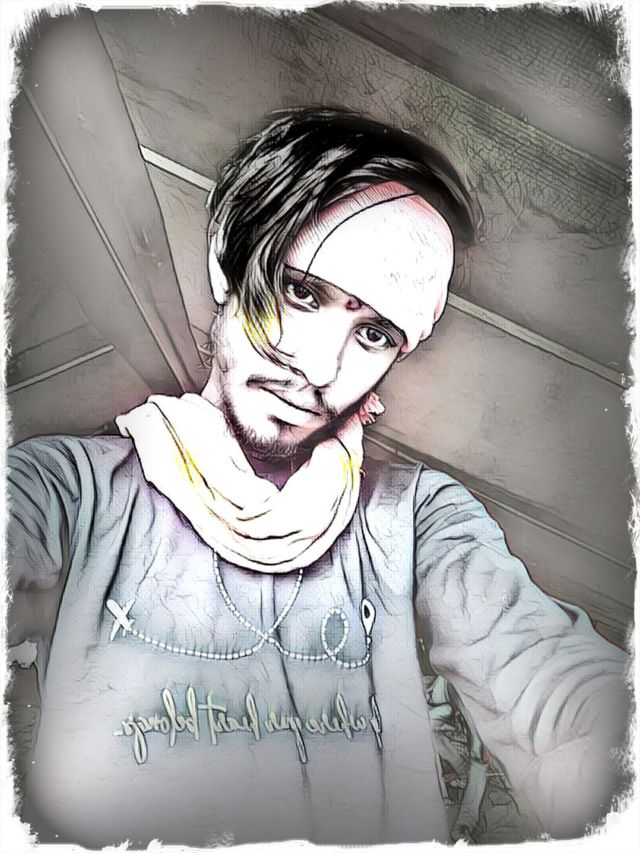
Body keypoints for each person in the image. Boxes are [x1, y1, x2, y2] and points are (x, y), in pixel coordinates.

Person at [6, 108, 630, 847]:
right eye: (303, 292)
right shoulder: (69, 490)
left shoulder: (418, 520)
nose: (320, 367)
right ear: (228, 257)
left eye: (374, 333)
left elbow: (548, 677)